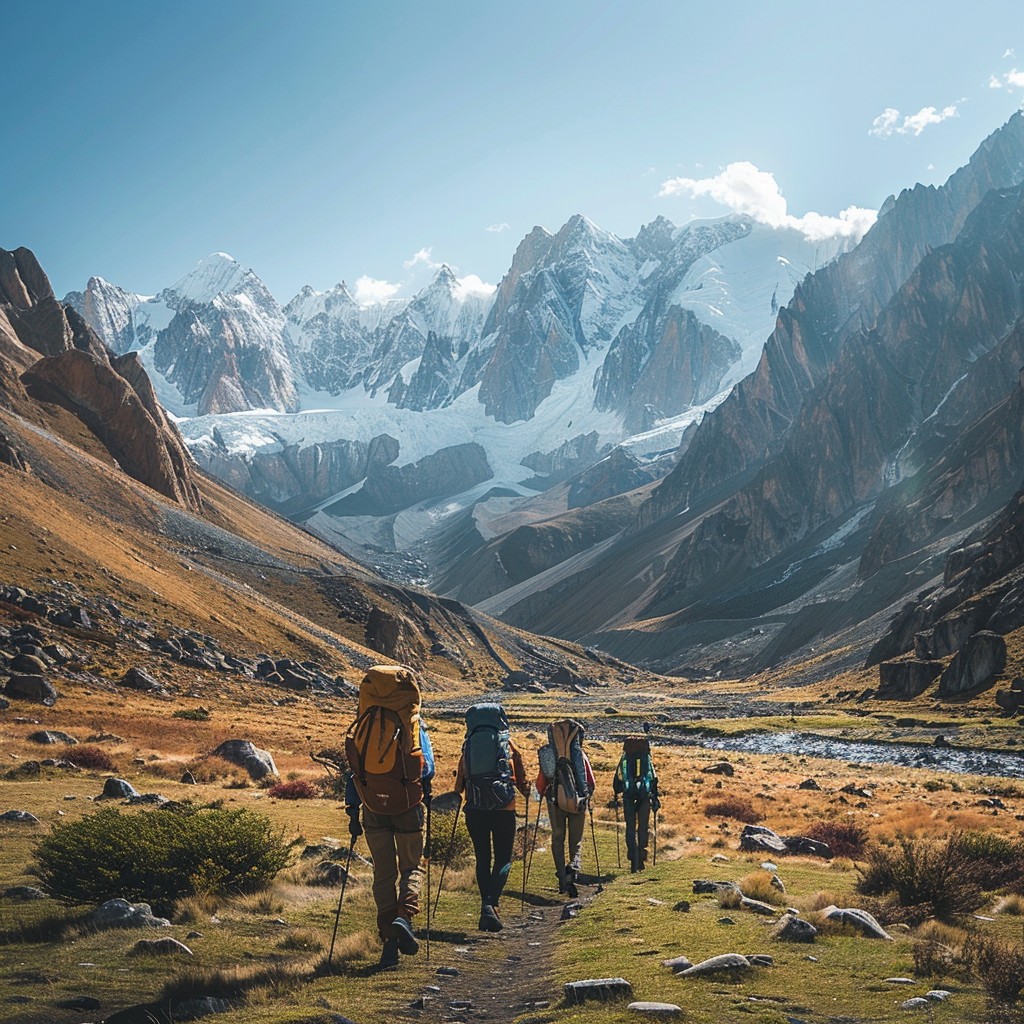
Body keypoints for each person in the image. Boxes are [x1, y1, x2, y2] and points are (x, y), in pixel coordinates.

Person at [344, 665, 435, 969]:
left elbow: (354, 771)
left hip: (372, 808)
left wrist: (352, 809)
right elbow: (427, 769)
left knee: (383, 874)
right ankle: (404, 918)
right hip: (407, 806)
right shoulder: (413, 726)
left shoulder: (363, 724)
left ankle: (388, 943)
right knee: (411, 867)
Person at [453, 703, 530, 931]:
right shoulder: (509, 746)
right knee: (504, 859)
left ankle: (485, 909)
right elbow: (523, 783)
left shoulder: (468, 746)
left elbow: (458, 786)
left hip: (475, 810)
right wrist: (529, 793)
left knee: (482, 859)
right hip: (504, 810)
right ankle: (491, 904)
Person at [536, 720, 595, 898]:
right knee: (575, 841)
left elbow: (540, 785)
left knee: (557, 838)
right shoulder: (581, 756)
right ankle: (573, 869)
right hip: (577, 802)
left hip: (554, 801)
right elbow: (591, 783)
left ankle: (562, 878)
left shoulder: (549, 754)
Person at [612, 736, 659, 872]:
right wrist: (655, 798)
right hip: (644, 797)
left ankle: (633, 858)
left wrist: (617, 793)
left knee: (630, 828)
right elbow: (653, 778)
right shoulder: (646, 759)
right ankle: (641, 858)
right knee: (643, 827)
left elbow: (618, 779)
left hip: (628, 797)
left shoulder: (625, 759)